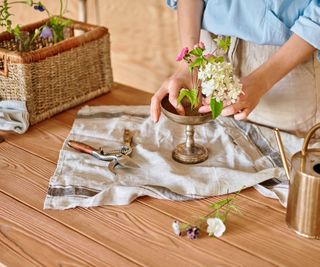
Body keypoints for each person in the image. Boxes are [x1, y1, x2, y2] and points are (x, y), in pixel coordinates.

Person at [150, 0, 320, 136]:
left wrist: (262, 80)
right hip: (209, 45)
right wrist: (190, 63)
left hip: (286, 59)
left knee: (284, 167)